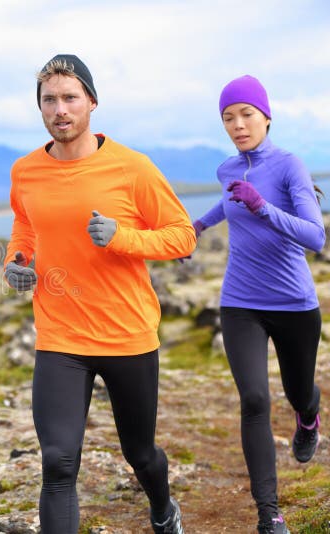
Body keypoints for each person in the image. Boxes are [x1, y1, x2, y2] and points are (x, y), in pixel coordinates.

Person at [3, 53, 195, 534]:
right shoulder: (25, 171)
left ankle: (163, 509)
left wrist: (122, 237)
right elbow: (25, 227)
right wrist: (15, 263)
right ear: (40, 108)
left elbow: (182, 236)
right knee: (59, 464)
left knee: (140, 453)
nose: (60, 109)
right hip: (60, 337)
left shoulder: (132, 168)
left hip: (126, 334)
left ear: (91, 101)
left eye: (70, 98)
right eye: (50, 100)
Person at [190, 74, 324, 534]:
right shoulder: (227, 169)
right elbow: (229, 202)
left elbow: (315, 235)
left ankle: (309, 415)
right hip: (240, 302)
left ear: (266, 116)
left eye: (246, 114)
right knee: (253, 399)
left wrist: (264, 206)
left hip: (293, 303)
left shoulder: (290, 166)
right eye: (228, 117)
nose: (238, 124)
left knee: (297, 392)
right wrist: (199, 225)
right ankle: (270, 513)